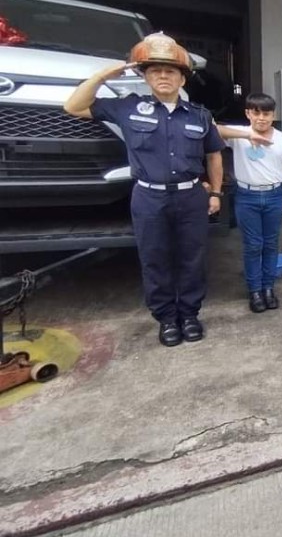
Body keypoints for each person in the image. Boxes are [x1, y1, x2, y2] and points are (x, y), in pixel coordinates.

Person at [63, 33, 224, 347]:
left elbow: (214, 155)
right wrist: (101, 76)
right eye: (155, 71)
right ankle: (166, 318)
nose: (163, 76)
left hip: (191, 195)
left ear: (182, 79)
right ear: (145, 76)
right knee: (155, 258)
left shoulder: (199, 116)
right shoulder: (128, 108)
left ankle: (189, 314)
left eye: (170, 71)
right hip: (149, 196)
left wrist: (216, 193)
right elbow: (73, 106)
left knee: (192, 257)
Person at [216, 94, 282, 313]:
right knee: (253, 246)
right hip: (246, 197)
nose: (262, 118)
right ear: (248, 114)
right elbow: (212, 129)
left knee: (271, 244)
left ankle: (268, 288)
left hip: (274, 196)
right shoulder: (238, 135)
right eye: (256, 113)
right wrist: (247, 134)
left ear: (274, 115)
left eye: (267, 113)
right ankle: (254, 290)